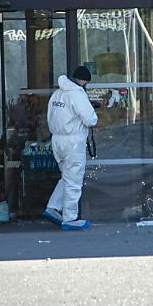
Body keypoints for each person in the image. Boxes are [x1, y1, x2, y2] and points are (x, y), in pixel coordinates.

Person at [43, 66, 98, 230]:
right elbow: (91, 120)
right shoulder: (77, 93)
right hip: (73, 142)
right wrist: (93, 109)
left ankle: (53, 207)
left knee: (67, 176)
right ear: (83, 80)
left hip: (57, 141)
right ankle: (70, 218)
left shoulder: (57, 93)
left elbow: (50, 116)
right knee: (74, 180)